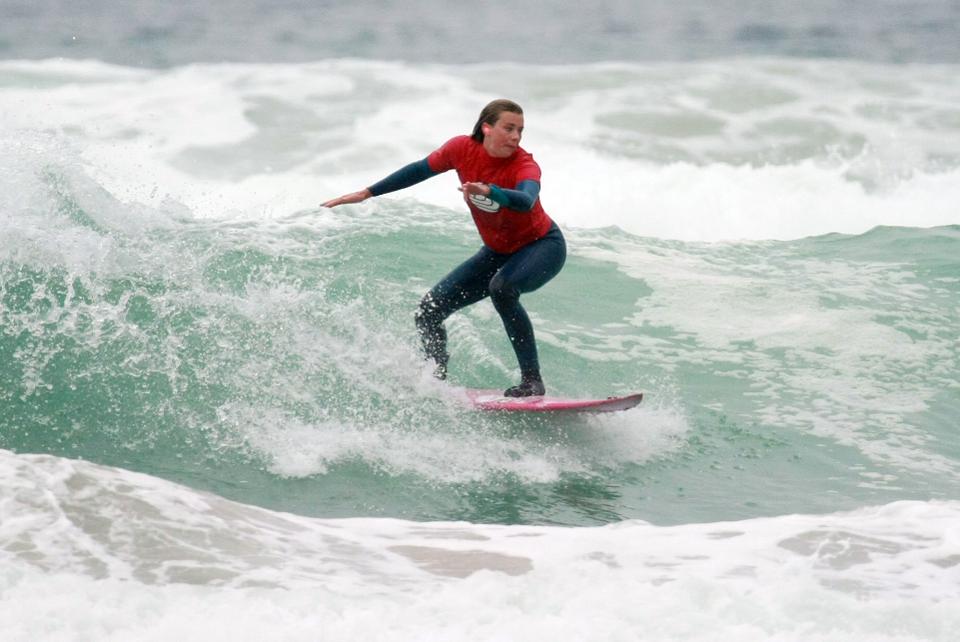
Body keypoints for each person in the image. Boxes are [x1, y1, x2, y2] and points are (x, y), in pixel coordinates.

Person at [322, 99, 566, 397]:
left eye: (520, 130)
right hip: (497, 251)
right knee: (429, 310)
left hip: (542, 246)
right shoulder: (461, 149)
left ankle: (532, 381)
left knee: (502, 288)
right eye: (509, 128)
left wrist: (490, 191)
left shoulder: (524, 165)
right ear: (487, 127)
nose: (516, 137)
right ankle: (434, 377)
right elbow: (419, 170)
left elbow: (526, 199)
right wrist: (367, 192)